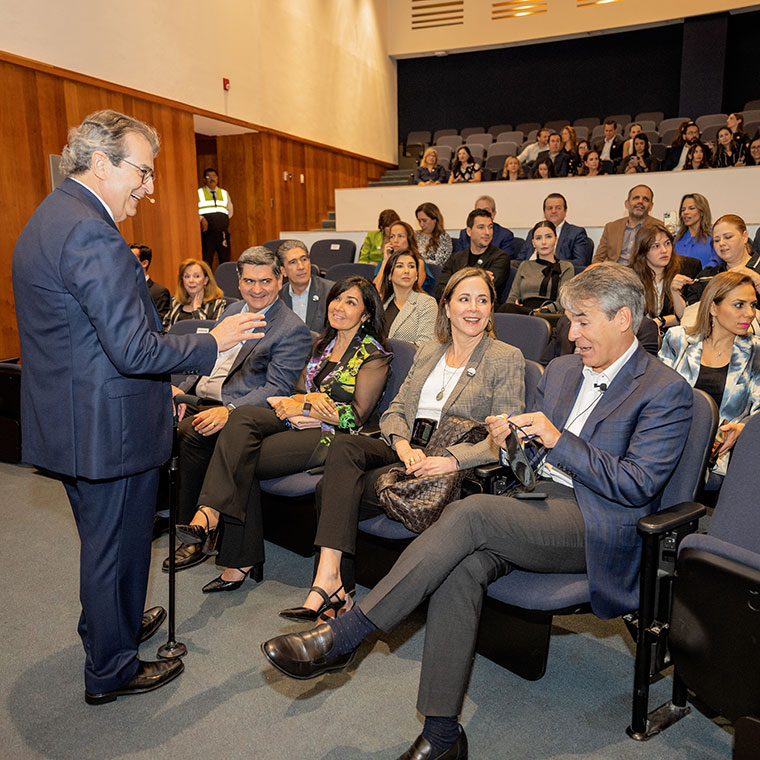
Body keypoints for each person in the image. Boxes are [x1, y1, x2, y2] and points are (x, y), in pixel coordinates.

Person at [261, 264, 693, 760]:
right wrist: (512, 441)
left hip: (597, 520)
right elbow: (525, 460)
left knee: (471, 516)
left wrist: (557, 441)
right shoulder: (566, 370)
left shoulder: (665, 390)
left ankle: (348, 633)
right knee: (460, 565)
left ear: (623, 319)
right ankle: (442, 735)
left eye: (582, 321)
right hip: (532, 500)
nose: (571, 335)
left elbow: (637, 485)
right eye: (569, 321)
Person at [11, 109, 264, 705]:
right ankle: (111, 670)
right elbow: (131, 346)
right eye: (143, 172)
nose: (149, 188)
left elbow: (92, 340)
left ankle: (112, 630)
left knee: (108, 545)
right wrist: (213, 341)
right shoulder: (90, 232)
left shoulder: (51, 217)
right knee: (116, 548)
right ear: (101, 164)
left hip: (78, 419)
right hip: (108, 429)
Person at [278, 267, 525, 621]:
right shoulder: (428, 351)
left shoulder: (504, 357)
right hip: (407, 454)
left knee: (330, 487)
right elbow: (394, 411)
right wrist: (403, 444)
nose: (473, 308)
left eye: (482, 300)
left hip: (452, 469)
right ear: (447, 307)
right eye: (464, 299)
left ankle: (333, 594)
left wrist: (452, 460)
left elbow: (505, 436)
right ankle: (334, 585)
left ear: (490, 309)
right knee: (344, 451)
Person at [176, 277, 392, 592]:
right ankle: (211, 516)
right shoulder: (323, 344)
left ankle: (228, 542)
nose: (339, 307)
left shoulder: (373, 355)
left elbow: (356, 416)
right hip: (297, 420)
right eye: (337, 299)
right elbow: (297, 393)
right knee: (244, 418)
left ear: (367, 314)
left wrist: (310, 409)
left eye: (351, 302)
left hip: (333, 436)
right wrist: (304, 403)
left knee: (241, 454)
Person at [167, 246, 313, 571]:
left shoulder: (291, 329)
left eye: (265, 281)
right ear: (238, 280)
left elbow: (276, 389)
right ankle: (164, 517)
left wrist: (229, 409)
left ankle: (196, 532)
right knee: (150, 417)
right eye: (249, 281)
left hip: (245, 411)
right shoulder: (232, 310)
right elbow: (209, 358)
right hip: (201, 397)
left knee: (191, 434)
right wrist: (179, 388)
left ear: (280, 280)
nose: (257, 289)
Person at [660, 270, 760, 488]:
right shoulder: (679, 339)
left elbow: (759, 411)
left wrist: (741, 429)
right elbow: (656, 395)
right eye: (739, 305)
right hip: (670, 444)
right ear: (714, 307)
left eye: (753, 305)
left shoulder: (756, 351)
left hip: (720, 459)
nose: (750, 313)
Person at [673, 214, 760, 315]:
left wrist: (757, 280)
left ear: (744, 237)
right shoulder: (707, 276)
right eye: (716, 240)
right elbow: (688, 315)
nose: (722, 243)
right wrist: (675, 292)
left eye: (728, 237)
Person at [499, 220, 574, 313]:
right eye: (538, 238)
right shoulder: (525, 265)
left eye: (548, 237)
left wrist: (543, 310)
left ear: (556, 240)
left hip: (549, 313)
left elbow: (564, 302)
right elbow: (512, 297)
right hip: (524, 312)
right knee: (505, 308)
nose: (543, 242)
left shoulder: (566, 267)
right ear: (533, 243)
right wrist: (513, 305)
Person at [437, 207, 511, 300]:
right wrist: (478, 277)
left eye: (490, 227)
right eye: (481, 227)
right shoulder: (455, 258)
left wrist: (455, 282)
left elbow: (484, 289)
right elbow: (440, 290)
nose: (487, 232)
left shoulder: (500, 258)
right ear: (469, 231)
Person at [514, 193, 592, 271]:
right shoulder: (534, 232)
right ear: (544, 213)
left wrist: (552, 264)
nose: (553, 211)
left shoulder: (576, 232)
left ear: (565, 211)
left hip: (557, 273)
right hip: (529, 272)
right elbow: (521, 259)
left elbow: (580, 262)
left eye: (558, 208)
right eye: (550, 208)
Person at [628, 221, 681, 333]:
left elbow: (688, 316)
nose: (664, 250)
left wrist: (661, 321)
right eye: (656, 246)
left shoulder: (685, 270)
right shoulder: (629, 276)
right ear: (643, 251)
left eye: (667, 243)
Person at [379, 250, 437, 345]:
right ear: (389, 275)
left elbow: (426, 345)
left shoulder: (427, 303)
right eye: (400, 266)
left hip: (409, 359)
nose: (406, 271)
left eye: (411, 266)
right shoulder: (382, 304)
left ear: (416, 276)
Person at [593, 185, 659, 265]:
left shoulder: (658, 227)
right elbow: (598, 259)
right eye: (636, 198)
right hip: (612, 273)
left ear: (651, 206)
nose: (640, 201)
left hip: (641, 274)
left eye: (645, 199)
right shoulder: (611, 227)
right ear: (627, 204)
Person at [277, 240, 334, 332]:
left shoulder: (330, 291)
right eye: (293, 262)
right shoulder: (278, 297)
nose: (301, 267)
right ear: (283, 271)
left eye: (304, 259)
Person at [163, 258, 229, 327]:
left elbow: (210, 333)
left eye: (196, 276)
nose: (191, 280)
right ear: (182, 281)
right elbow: (165, 330)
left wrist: (197, 310)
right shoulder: (176, 303)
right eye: (187, 276)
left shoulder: (217, 305)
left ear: (205, 280)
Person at [372, 220, 429, 292]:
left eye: (400, 236)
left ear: (409, 239)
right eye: (392, 236)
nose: (395, 240)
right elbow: (374, 291)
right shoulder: (384, 262)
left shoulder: (418, 263)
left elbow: (411, 292)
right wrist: (386, 261)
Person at [198, 167, 233, 267]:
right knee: (207, 260)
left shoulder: (224, 193)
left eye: (214, 176)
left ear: (217, 178)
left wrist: (221, 221)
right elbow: (193, 210)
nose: (212, 179)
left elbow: (230, 211)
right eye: (209, 176)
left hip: (222, 232)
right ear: (204, 179)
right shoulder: (199, 193)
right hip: (207, 232)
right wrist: (201, 218)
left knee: (225, 259)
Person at [674, 193, 717, 268]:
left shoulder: (714, 237)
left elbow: (716, 262)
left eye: (691, 208)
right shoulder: (676, 240)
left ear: (702, 212)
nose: (685, 212)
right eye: (683, 209)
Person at [130, 243, 170, 320]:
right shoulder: (123, 291)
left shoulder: (159, 292)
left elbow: (160, 324)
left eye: (131, 259)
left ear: (144, 263)